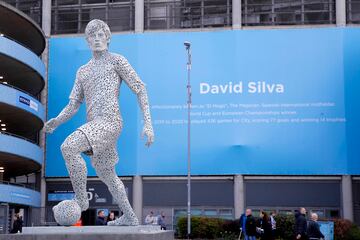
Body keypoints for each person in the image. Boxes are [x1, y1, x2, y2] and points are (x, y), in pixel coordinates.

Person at [44, 19, 154, 226]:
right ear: (87, 41)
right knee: (107, 174)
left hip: (110, 122)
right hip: (95, 126)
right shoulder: (83, 71)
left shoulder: (116, 61)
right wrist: (57, 121)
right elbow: (73, 105)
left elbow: (140, 88)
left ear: (108, 38)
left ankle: (81, 200)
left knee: (68, 147)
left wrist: (148, 123)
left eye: (100, 35)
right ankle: (130, 217)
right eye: (92, 36)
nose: (96, 39)